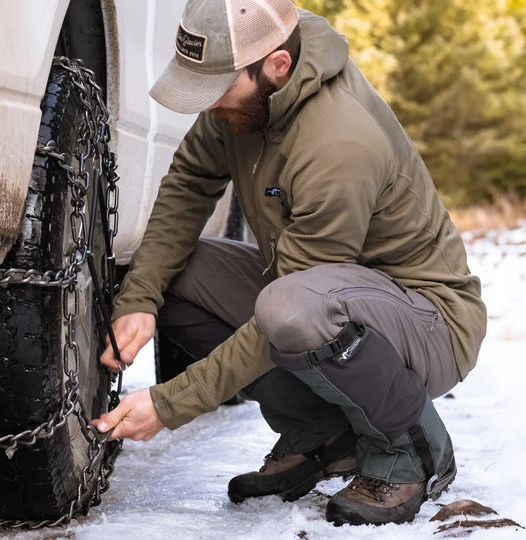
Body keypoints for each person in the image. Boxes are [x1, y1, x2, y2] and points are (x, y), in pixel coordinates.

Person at [93, 0, 487, 527]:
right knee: (177, 277)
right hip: (330, 298)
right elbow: (188, 184)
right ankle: (321, 433)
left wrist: (170, 404)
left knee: (290, 309)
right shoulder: (243, 98)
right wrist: (140, 298)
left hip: (430, 323)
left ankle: (412, 450)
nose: (206, 107)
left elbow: (292, 307)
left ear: (276, 66)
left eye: (216, 91)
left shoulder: (338, 142)